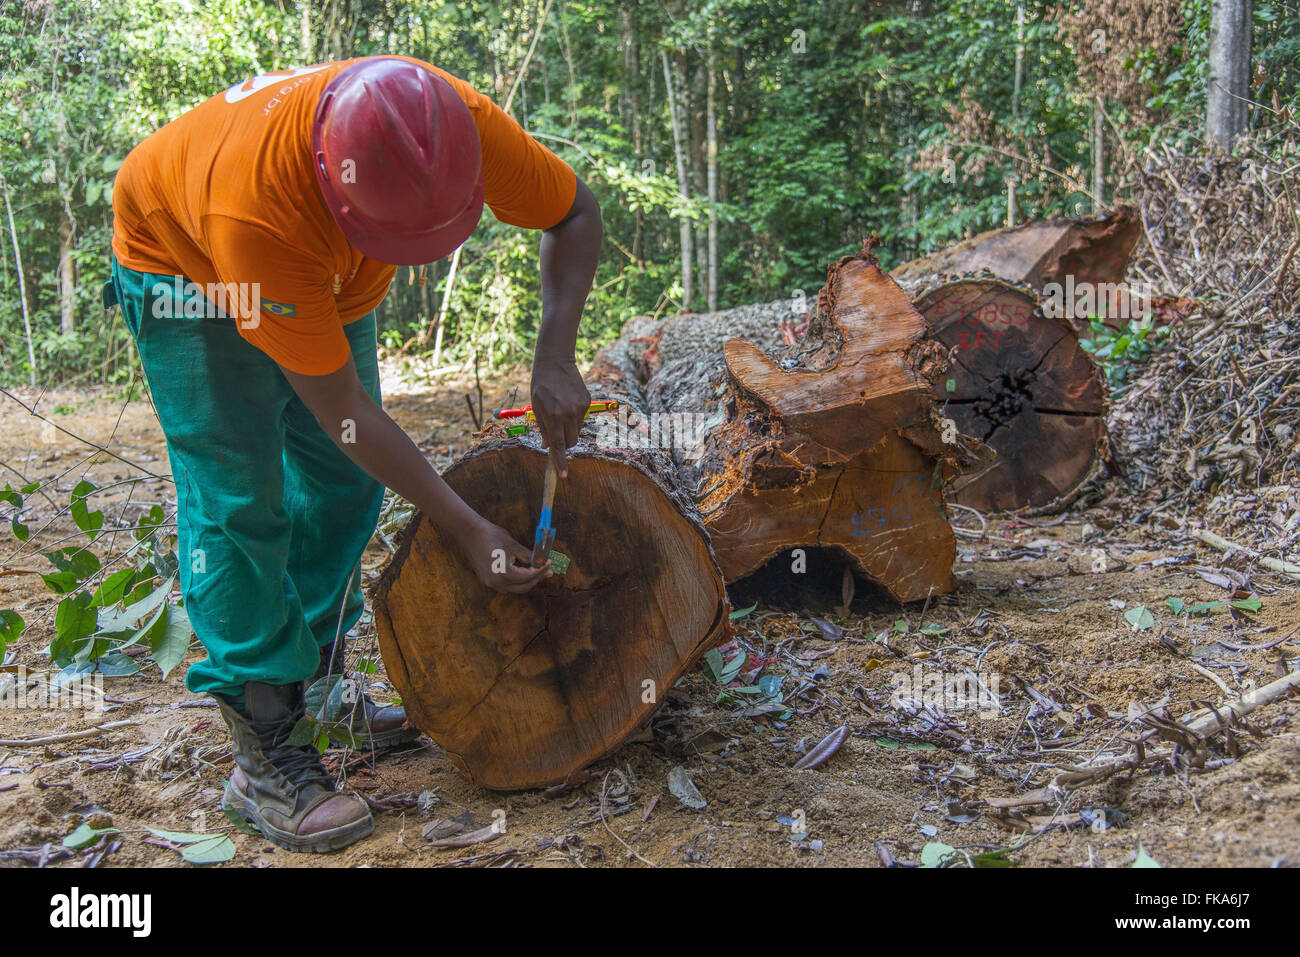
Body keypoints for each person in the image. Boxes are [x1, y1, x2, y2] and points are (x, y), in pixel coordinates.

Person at [106, 55, 602, 852]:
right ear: (339, 200)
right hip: (186, 271)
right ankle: (266, 746)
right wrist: (465, 527)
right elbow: (346, 415)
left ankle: (318, 680)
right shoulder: (259, 213)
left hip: (320, 274)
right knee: (239, 502)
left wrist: (556, 353)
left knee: (343, 486)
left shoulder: (452, 125)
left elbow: (573, 212)